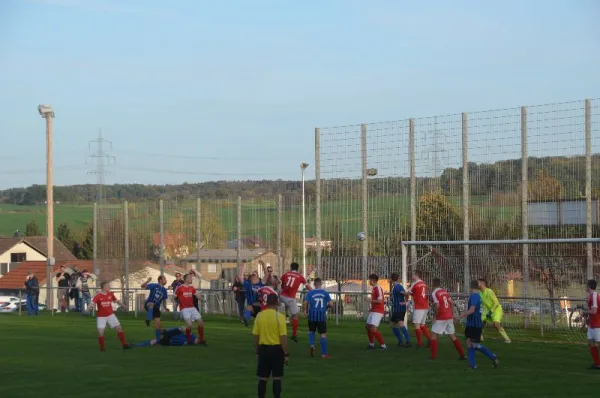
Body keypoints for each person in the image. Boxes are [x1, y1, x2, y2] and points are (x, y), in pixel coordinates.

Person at [455, 280, 499, 370]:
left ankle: (493, 357)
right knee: (470, 343)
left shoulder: (475, 296)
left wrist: (459, 316)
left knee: (474, 345)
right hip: (472, 323)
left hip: (475, 324)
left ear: (470, 287)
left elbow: (472, 310)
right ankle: (473, 365)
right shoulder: (475, 295)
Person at [253, 293, 289, 398]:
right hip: (277, 350)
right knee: (277, 377)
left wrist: (257, 351)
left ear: (266, 302)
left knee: (262, 378)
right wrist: (286, 354)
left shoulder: (259, 316)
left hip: (263, 349)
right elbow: (283, 338)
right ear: (277, 303)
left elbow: (256, 336)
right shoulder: (280, 317)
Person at [429, 278, 465, 361]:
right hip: (448, 316)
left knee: (433, 336)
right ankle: (462, 355)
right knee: (452, 336)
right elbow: (452, 303)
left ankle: (433, 357)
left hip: (441, 317)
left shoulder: (435, 293)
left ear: (433, 284)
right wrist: (451, 314)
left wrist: (435, 317)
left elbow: (437, 306)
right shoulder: (445, 291)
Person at [91, 281, 132, 351]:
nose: (109, 287)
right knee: (100, 332)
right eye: (108, 286)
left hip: (110, 315)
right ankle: (102, 348)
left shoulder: (111, 294)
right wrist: (89, 306)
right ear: (103, 287)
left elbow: (116, 301)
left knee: (119, 328)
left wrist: (123, 305)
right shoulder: (98, 295)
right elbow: (92, 302)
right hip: (101, 317)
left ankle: (124, 345)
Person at [280, 262, 312, 342]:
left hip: (282, 296)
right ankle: (294, 335)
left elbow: (279, 283)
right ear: (297, 269)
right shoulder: (300, 276)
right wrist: (314, 292)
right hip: (291, 299)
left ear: (291, 267)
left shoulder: (286, 274)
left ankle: (278, 330)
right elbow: (307, 286)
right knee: (295, 316)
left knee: (278, 313)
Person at [174, 274, 207, 345]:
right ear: (186, 279)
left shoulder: (192, 288)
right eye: (190, 278)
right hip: (184, 309)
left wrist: (203, 299)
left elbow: (197, 296)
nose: (191, 279)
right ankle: (188, 339)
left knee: (201, 323)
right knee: (189, 325)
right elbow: (174, 297)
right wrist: (175, 302)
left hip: (192, 308)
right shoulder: (180, 288)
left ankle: (201, 339)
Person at [303, 278, 332, 358]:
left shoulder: (310, 293)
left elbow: (305, 302)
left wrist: (305, 311)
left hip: (312, 316)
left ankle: (312, 345)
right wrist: (326, 308)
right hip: (321, 316)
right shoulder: (325, 293)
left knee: (311, 331)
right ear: (321, 284)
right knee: (323, 334)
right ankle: (324, 353)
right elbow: (331, 304)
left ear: (314, 284)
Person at [478, 279, 511, 343]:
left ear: (482, 284)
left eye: (478, 283)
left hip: (496, 309)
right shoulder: (480, 293)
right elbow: (481, 303)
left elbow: (496, 302)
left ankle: (507, 339)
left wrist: (491, 311)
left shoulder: (489, 291)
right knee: (479, 321)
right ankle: (480, 337)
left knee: (496, 324)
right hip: (487, 310)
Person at [406, 270, 431, 348]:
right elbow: (418, 293)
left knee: (416, 324)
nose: (412, 276)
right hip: (425, 305)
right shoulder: (423, 283)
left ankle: (419, 343)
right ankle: (430, 339)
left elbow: (407, 292)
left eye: (413, 274)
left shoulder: (415, 283)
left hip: (419, 306)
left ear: (416, 275)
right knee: (422, 324)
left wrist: (401, 292)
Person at [141, 276, 169, 343]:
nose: (166, 280)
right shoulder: (154, 285)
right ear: (160, 280)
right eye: (164, 279)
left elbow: (164, 300)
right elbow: (142, 286)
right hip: (148, 304)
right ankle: (148, 319)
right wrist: (147, 281)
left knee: (158, 324)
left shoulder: (164, 290)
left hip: (156, 307)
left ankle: (158, 339)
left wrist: (165, 307)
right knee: (151, 304)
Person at [365, 274, 387, 350]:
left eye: (369, 280)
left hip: (378, 311)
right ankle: (371, 344)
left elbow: (380, 300)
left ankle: (383, 345)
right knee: (367, 326)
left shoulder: (378, 288)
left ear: (373, 280)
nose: (369, 281)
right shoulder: (374, 288)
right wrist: (371, 308)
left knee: (373, 328)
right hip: (374, 310)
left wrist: (370, 300)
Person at [390, 273, 411, 347]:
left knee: (400, 324)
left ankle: (408, 341)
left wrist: (405, 301)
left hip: (399, 308)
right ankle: (401, 341)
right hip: (397, 308)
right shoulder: (396, 286)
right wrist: (405, 300)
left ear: (391, 279)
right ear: (398, 278)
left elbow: (405, 293)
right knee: (393, 325)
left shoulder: (398, 287)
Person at [583, 279, 600, 370]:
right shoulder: (591, 296)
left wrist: (584, 312)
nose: (585, 287)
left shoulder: (594, 296)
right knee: (591, 343)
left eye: (586, 285)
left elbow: (594, 311)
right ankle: (597, 363)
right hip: (592, 324)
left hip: (597, 324)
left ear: (589, 286)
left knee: (598, 343)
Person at [134, 327, 202, 347]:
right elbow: (185, 330)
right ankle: (137, 345)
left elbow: (194, 341)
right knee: (154, 341)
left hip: (169, 340)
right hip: (169, 337)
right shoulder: (190, 336)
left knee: (154, 341)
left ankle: (136, 345)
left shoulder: (190, 340)